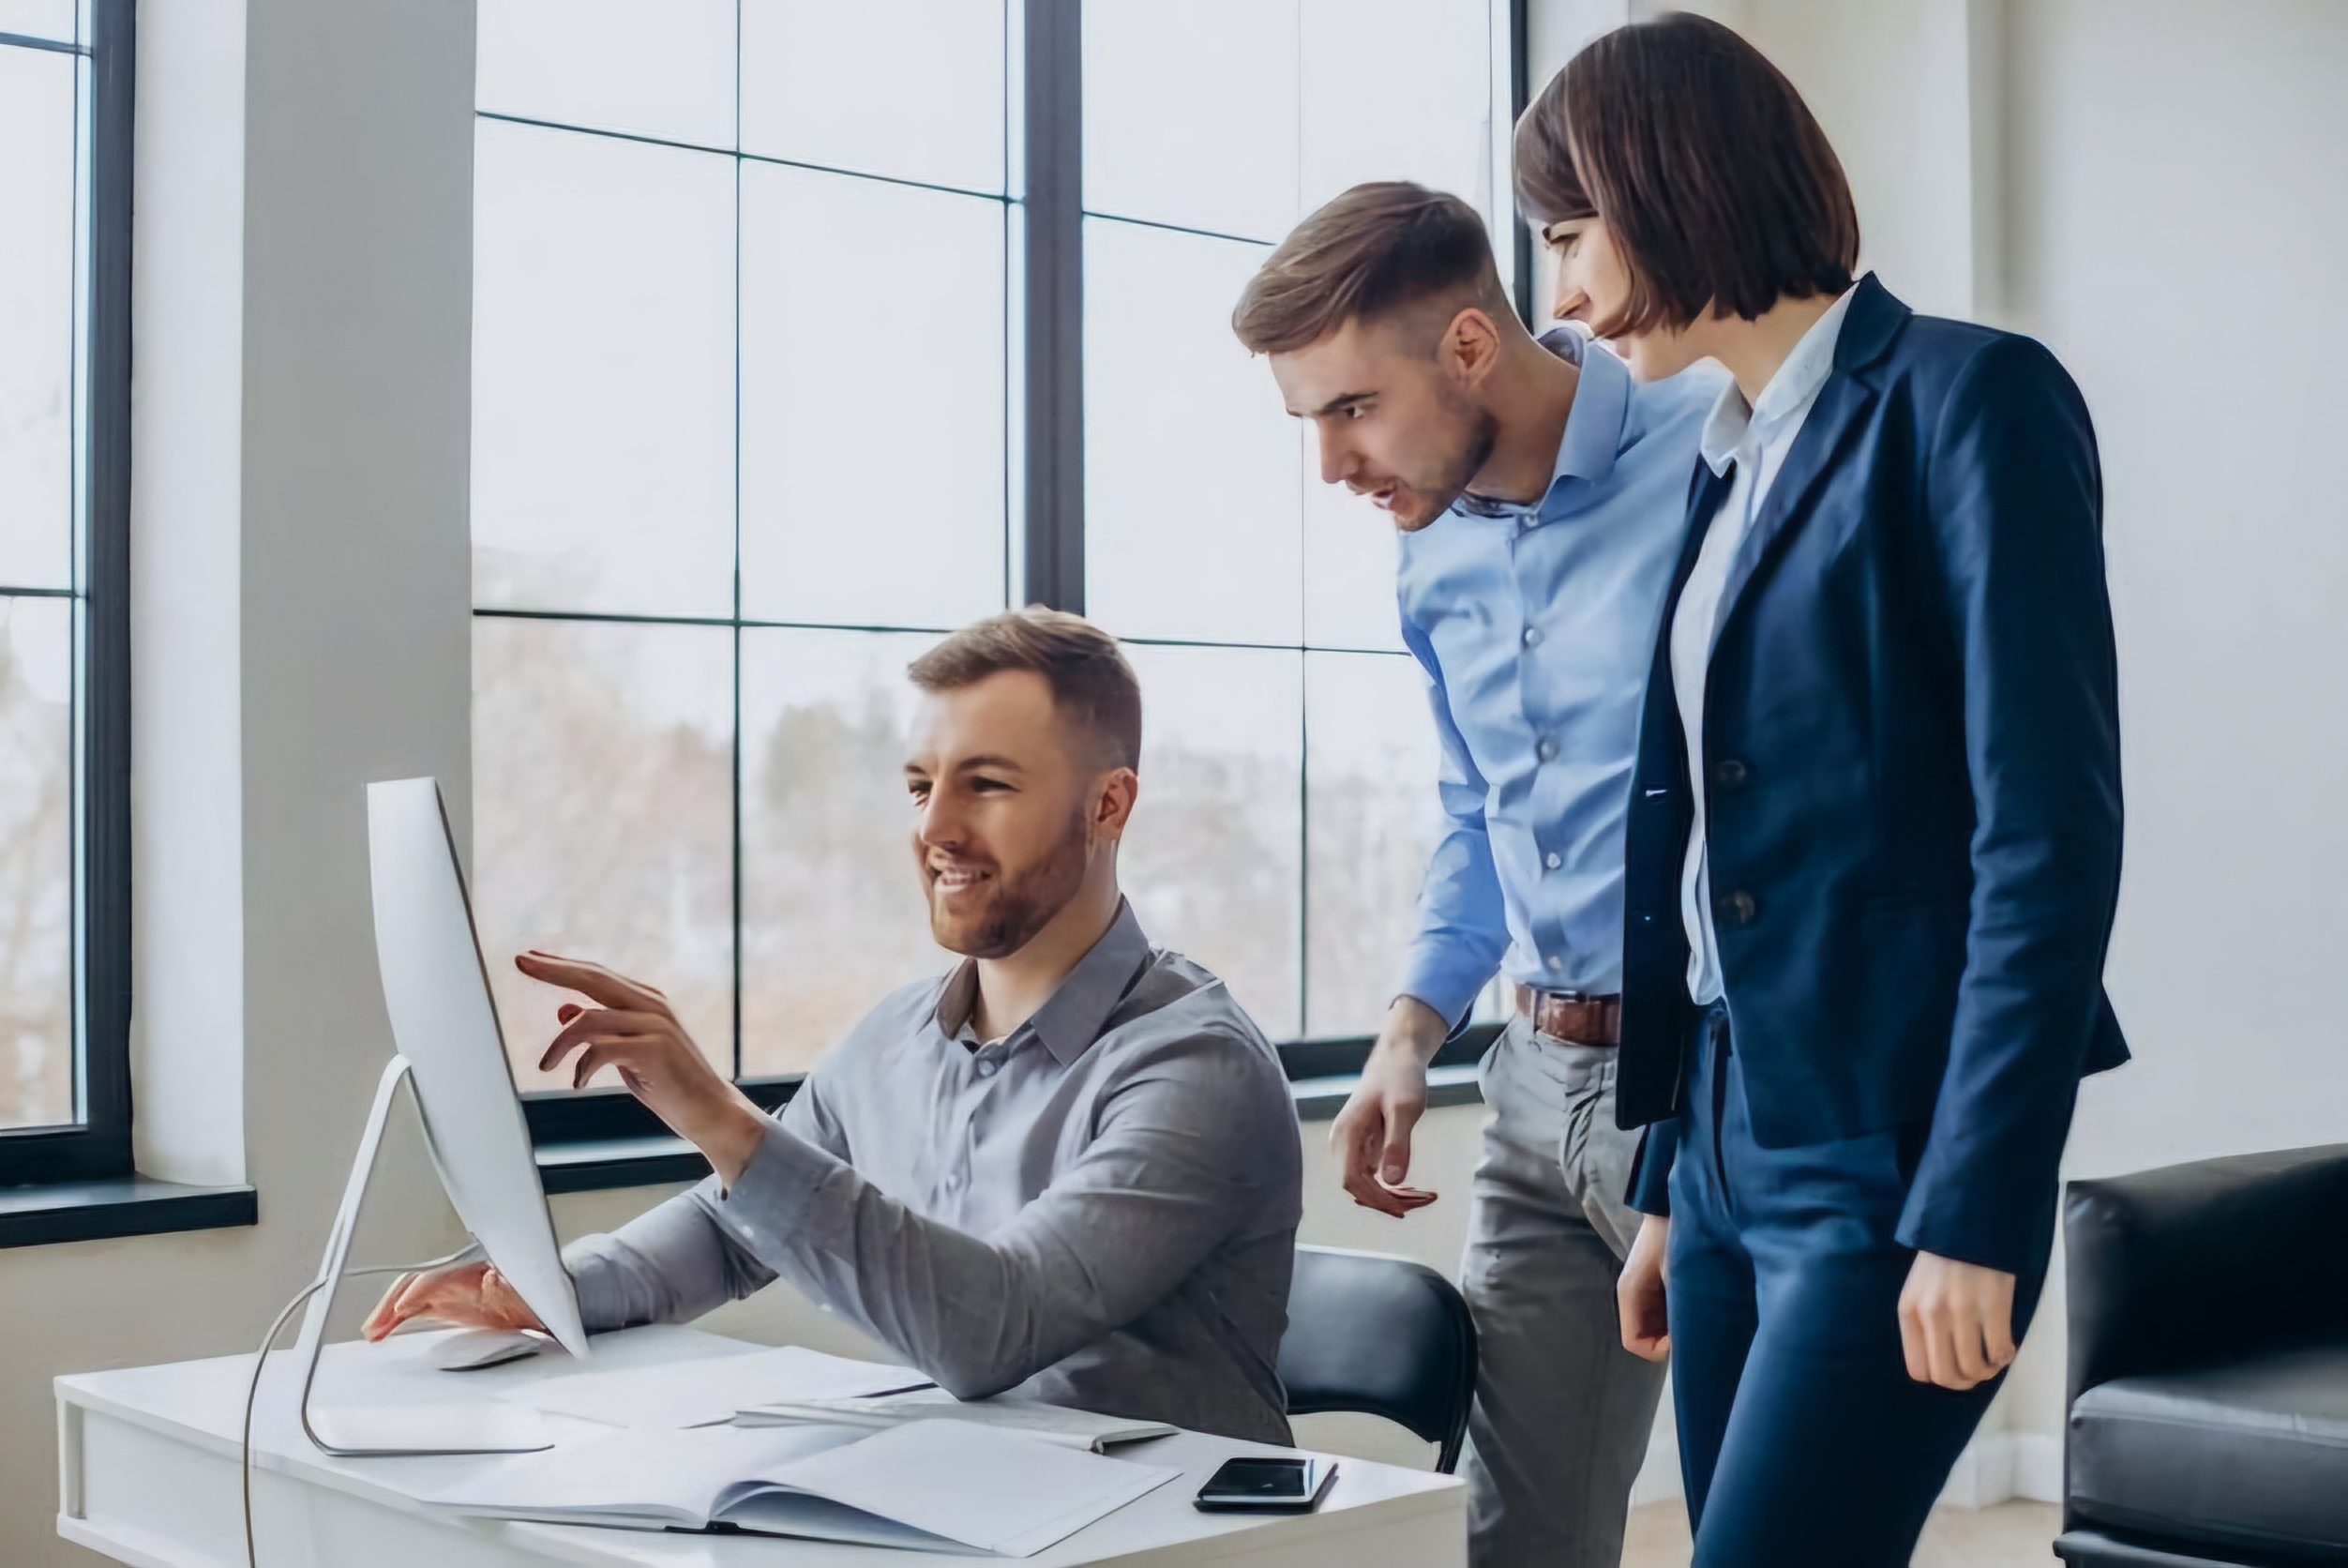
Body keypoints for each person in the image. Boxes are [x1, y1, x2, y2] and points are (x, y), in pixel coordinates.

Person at [1515, 16, 2130, 1562]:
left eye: (1570, 233)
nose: (1562, 292)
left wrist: (1977, 1207)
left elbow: (2043, 839)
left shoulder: (1966, 400)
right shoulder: (1720, 469)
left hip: (1887, 1148)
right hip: (1723, 1139)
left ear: (1673, 184)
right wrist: (1668, 1179)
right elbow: (1712, 866)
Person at [364, 609, 1304, 1444]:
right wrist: (550, 1290)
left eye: (986, 785)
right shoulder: (899, 1034)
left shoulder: (1193, 1066)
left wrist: (722, 1118)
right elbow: (737, 1229)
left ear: (1108, 804)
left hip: (1170, 1538)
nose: (936, 825)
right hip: (968, 1500)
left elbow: (993, 1332)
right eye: (917, 786)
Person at [1233, 182, 1722, 1567]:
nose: (1332, 465)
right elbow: (1481, 806)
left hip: (1713, 1072)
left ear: (1464, 346)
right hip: (1533, 1079)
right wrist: (1412, 1027)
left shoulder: (1716, 452)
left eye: (1350, 410)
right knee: (1525, 1539)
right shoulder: (1429, 547)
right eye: (1307, 423)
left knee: (1762, 1512)